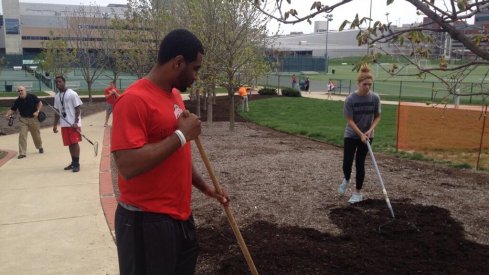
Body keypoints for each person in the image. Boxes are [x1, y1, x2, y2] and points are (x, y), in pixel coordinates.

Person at [111, 29, 229, 275]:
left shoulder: (174, 95)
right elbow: (128, 165)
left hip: (179, 217)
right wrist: (181, 134)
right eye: (195, 68)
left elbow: (177, 155)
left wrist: (205, 187)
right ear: (178, 62)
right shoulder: (133, 100)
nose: (196, 76)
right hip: (145, 222)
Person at [338, 65, 381, 204]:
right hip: (351, 134)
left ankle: (357, 193)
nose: (367, 87)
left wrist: (369, 131)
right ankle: (346, 178)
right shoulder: (351, 99)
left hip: (367, 136)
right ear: (358, 84)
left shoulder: (375, 98)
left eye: (369, 84)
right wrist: (360, 134)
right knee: (347, 163)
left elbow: (377, 116)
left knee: (360, 163)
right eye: (365, 84)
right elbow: (349, 120)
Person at [53, 76, 83, 172]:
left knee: (74, 143)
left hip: (73, 124)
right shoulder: (57, 96)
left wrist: (76, 122)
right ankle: (73, 162)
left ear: (64, 82)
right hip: (64, 124)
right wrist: (54, 125)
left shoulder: (72, 94)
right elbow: (57, 111)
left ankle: (77, 164)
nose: (58, 83)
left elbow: (78, 108)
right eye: (56, 82)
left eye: (60, 81)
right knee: (70, 144)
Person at [4, 85, 44, 159]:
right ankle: (22, 153)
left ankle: (39, 146)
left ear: (25, 90)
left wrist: (37, 111)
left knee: (36, 135)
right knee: (22, 135)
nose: (20, 92)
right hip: (23, 120)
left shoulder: (32, 97)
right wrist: (7, 114)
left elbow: (40, 104)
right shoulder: (17, 101)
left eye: (21, 90)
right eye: (19, 91)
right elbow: (13, 109)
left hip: (33, 119)